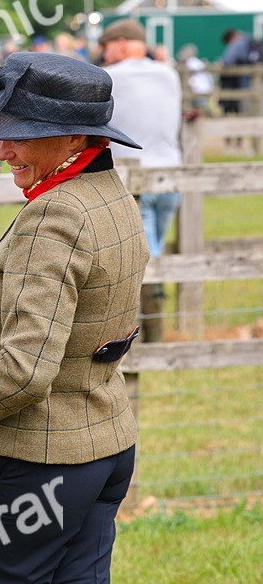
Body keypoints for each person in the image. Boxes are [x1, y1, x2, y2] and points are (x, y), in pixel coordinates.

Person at [0, 52, 149, 584]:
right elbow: (85, 329)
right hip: (103, 448)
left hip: (33, 464)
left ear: (75, 137)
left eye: (18, 135)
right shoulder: (111, 197)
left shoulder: (54, 217)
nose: (2, 151)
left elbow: (24, 372)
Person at [100, 18, 183, 342]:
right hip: (172, 176)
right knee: (156, 250)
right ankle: (154, 330)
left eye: (106, 49)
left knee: (141, 260)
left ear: (120, 44)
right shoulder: (169, 73)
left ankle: (148, 336)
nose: (104, 56)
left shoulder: (110, 78)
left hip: (134, 179)